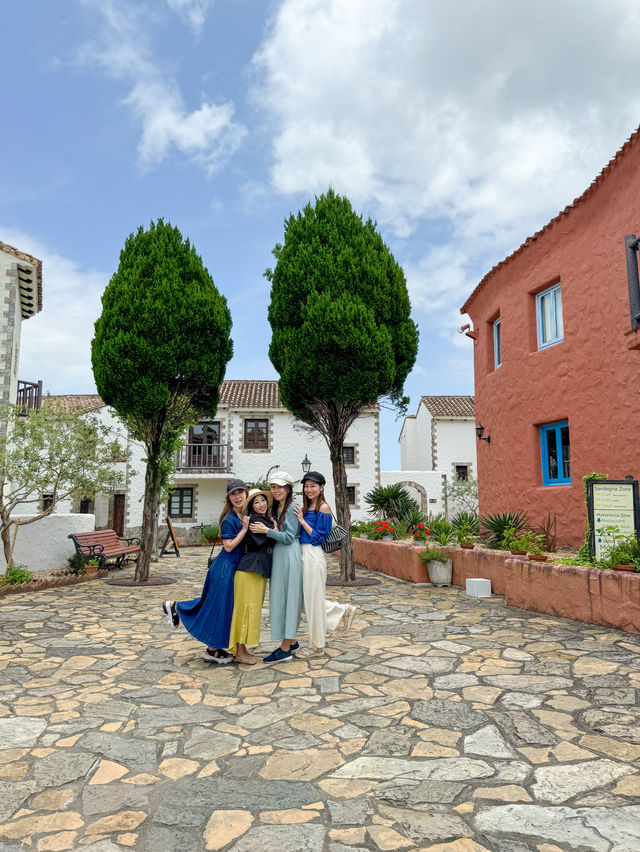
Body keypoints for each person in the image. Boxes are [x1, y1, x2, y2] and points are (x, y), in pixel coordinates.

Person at [162, 479, 249, 664]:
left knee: (216, 606)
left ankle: (211, 646)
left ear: (246, 493)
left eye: (240, 492)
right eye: (233, 494)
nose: (238, 496)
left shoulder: (244, 515)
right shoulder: (230, 519)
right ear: (229, 498)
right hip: (225, 568)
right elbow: (229, 546)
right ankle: (210, 647)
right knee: (218, 607)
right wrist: (244, 530)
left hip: (233, 568)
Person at [294, 470, 357, 658]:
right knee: (305, 602)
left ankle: (317, 647)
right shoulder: (307, 506)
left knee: (313, 603)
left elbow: (318, 538)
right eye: (306, 486)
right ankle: (343, 610)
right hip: (302, 554)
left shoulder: (323, 508)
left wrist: (301, 521)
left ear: (321, 487)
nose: (309, 489)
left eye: (313, 486)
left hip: (313, 555)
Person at [250, 471, 302, 663]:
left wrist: (267, 530)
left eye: (280, 487)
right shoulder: (278, 508)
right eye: (273, 487)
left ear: (288, 489)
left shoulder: (292, 507)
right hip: (281, 556)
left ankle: (285, 649)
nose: (276, 490)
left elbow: (289, 537)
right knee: (280, 598)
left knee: (289, 600)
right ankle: (291, 641)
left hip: (289, 555)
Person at [227, 488, 274, 664]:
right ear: (251, 507)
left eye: (263, 500)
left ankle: (243, 647)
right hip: (249, 571)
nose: (261, 504)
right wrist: (275, 529)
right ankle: (239, 652)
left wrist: (271, 527)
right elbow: (265, 540)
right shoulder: (255, 520)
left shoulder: (265, 520)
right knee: (245, 611)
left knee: (252, 610)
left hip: (258, 571)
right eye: (256, 502)